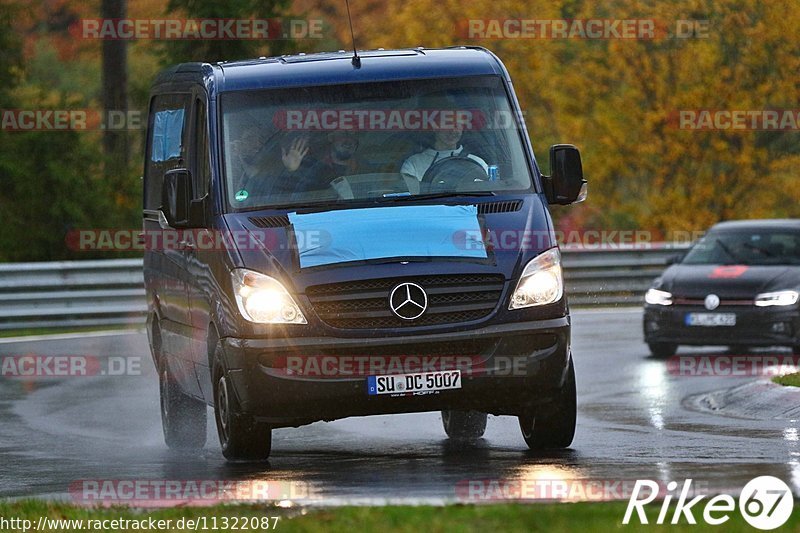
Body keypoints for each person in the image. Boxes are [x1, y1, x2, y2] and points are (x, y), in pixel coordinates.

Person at [400, 119, 488, 182]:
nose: (453, 131)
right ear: (435, 128)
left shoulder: (477, 163)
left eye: (457, 126)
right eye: (447, 125)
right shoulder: (413, 164)